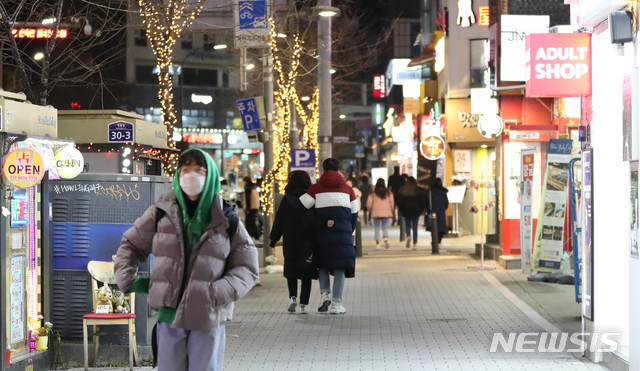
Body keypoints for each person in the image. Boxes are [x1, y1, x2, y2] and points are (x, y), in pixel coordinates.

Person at [114, 148, 259, 371]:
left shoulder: (226, 218)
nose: (191, 176)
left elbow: (247, 267)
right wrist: (126, 278)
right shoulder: (161, 213)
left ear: (209, 175)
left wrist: (216, 292)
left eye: (198, 170)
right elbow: (130, 245)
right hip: (169, 317)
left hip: (207, 317)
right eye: (185, 170)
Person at [269, 171, 334, 315]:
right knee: (306, 273)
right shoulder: (309, 199)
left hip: (290, 240)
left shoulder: (286, 200)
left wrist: (273, 239)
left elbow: (279, 220)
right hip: (307, 241)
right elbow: (312, 219)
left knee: (291, 270)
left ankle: (292, 297)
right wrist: (324, 223)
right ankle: (303, 305)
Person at [299, 158, 358, 314]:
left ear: (323, 169)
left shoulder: (315, 188)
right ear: (338, 169)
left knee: (322, 264)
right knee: (340, 268)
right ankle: (336, 304)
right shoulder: (348, 189)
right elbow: (354, 213)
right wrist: (348, 229)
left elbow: (302, 206)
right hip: (343, 234)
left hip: (321, 234)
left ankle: (325, 294)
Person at [397, 177, 427, 249]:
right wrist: (422, 209)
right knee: (415, 226)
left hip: (406, 210)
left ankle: (408, 236)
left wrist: (401, 209)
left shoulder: (403, 189)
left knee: (407, 225)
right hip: (416, 210)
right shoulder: (418, 190)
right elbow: (422, 201)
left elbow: (399, 201)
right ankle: (415, 243)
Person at [366, 178, 394, 249]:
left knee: (377, 228)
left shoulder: (373, 193)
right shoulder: (389, 193)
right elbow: (392, 203)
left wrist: (370, 210)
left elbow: (369, 204)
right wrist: (391, 210)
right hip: (386, 213)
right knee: (385, 227)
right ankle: (385, 237)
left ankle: (378, 244)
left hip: (376, 212)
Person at [428, 177, 450, 244]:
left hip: (433, 211)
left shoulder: (431, 191)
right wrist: (443, 209)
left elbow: (428, 202)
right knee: (441, 228)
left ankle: (434, 241)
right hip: (441, 212)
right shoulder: (443, 192)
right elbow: (446, 203)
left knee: (434, 227)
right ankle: (439, 242)